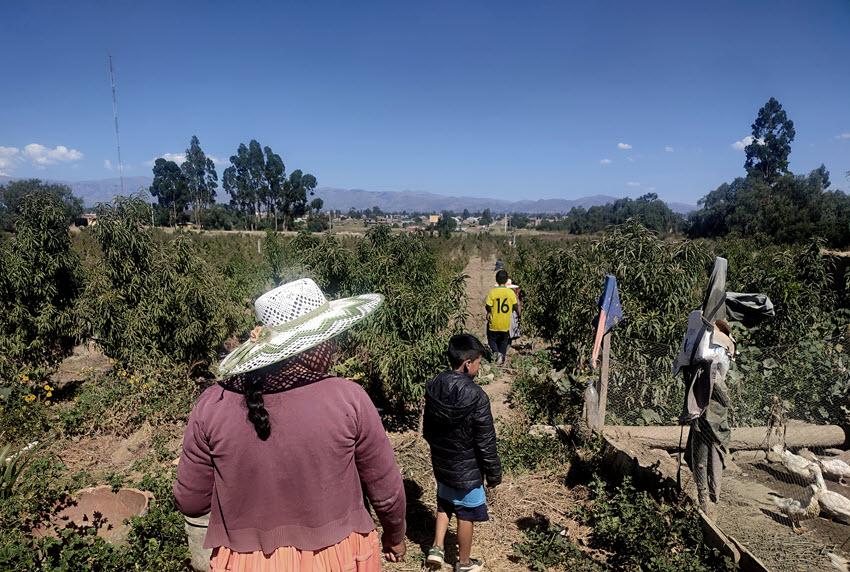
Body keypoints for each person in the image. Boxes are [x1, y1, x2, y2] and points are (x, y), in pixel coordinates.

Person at [174, 278, 407, 571]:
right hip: (338, 557)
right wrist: (395, 535)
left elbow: (191, 501)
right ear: (317, 345)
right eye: (329, 339)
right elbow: (386, 491)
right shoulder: (349, 398)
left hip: (247, 562)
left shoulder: (213, 402)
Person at [423, 334, 502, 572]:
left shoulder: (435, 384)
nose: (479, 367)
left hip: (442, 461)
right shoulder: (478, 396)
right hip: (468, 468)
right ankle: (464, 563)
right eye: (478, 362)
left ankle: (437, 548)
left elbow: (428, 429)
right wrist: (494, 473)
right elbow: (486, 441)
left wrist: (439, 449)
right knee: (466, 513)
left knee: (445, 502)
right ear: (468, 363)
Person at [485, 269, 519, 366]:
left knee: (491, 339)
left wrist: (489, 311)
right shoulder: (510, 293)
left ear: (496, 280)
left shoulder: (493, 292)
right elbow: (515, 306)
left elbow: (488, 306)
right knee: (504, 341)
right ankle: (502, 360)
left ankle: (497, 353)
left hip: (494, 322)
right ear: (506, 280)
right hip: (505, 322)